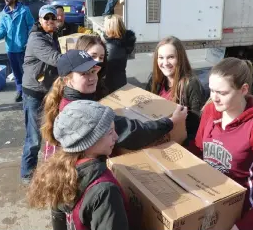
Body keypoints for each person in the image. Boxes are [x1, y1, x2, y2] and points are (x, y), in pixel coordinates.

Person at [191, 57, 253, 230]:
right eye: (212, 91)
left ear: (244, 89)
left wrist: (246, 223)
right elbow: (198, 148)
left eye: (222, 93)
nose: (214, 98)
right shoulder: (211, 111)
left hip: (239, 213)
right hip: (209, 201)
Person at [41, 50, 187, 162]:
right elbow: (131, 132)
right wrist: (171, 122)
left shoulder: (72, 99)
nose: (92, 77)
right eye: (84, 74)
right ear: (67, 80)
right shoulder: (82, 110)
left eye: (93, 71)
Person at [28, 100, 129, 230]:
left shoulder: (60, 171)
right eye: (110, 132)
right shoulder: (105, 190)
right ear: (89, 141)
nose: (116, 136)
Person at [20, 5, 62, 184]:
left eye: (53, 18)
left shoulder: (52, 35)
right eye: (47, 18)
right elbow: (56, 59)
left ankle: (48, 167)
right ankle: (27, 172)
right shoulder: (36, 38)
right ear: (40, 20)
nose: (50, 21)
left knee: (50, 131)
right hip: (34, 93)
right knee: (34, 136)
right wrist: (80, 58)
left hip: (47, 90)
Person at [146, 36, 204, 146]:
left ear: (180, 58)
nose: (165, 62)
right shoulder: (155, 80)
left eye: (171, 57)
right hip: (155, 138)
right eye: (161, 57)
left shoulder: (191, 84)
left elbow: (195, 126)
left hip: (178, 144)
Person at [102, 14, 136, 92]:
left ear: (110, 28)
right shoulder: (124, 42)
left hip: (110, 85)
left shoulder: (112, 47)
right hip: (121, 80)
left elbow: (104, 69)